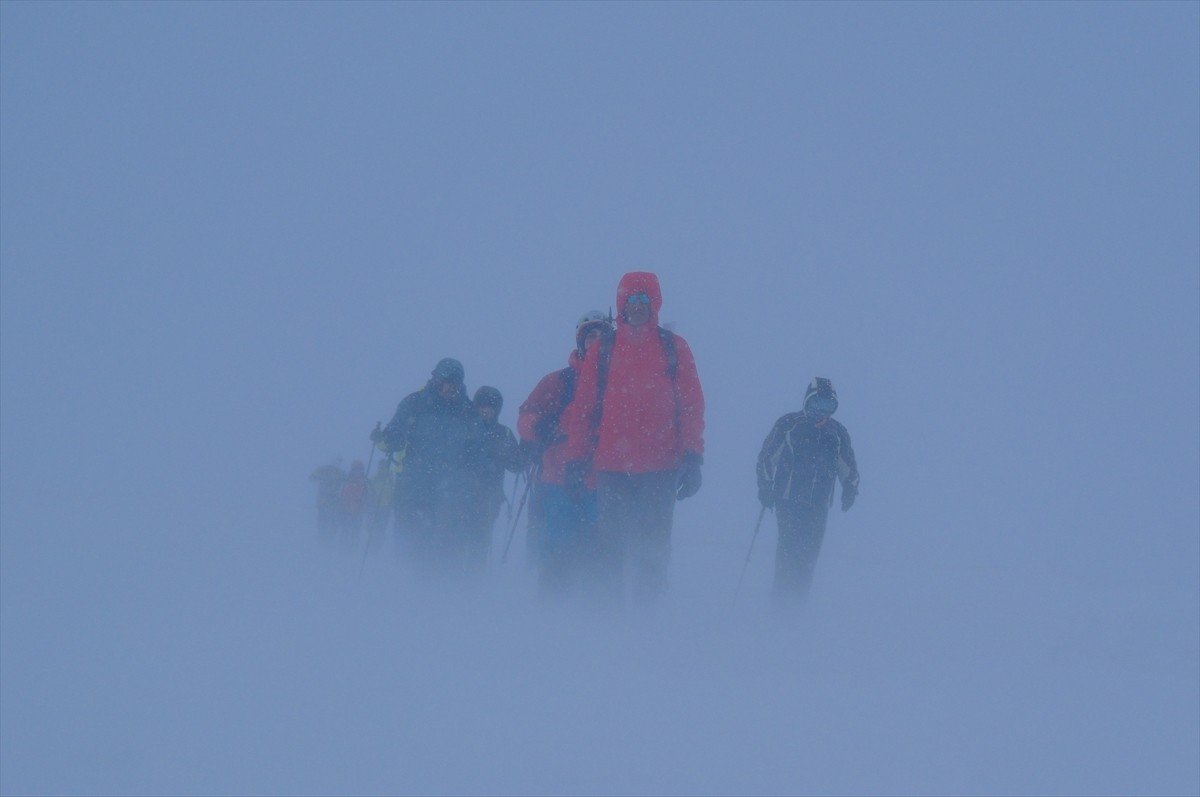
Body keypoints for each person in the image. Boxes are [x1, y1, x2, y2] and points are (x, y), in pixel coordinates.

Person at [561, 273, 705, 607]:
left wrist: (694, 455)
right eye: (631, 300)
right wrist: (574, 459)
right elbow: (584, 409)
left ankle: (647, 614)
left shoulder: (674, 347)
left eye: (644, 300)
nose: (637, 307)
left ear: (655, 303)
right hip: (612, 467)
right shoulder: (604, 350)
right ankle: (607, 613)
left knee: (653, 546)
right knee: (610, 543)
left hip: (661, 467)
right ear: (621, 304)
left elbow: (692, 404)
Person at [517, 310, 614, 599]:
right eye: (590, 335)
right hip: (557, 480)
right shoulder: (557, 382)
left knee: (599, 555)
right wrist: (539, 426)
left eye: (601, 335)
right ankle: (553, 619)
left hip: (603, 482)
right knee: (559, 551)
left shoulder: (618, 382)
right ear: (581, 341)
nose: (596, 341)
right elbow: (525, 418)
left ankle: (595, 621)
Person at [371, 357, 484, 573]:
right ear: (436, 380)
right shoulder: (413, 404)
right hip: (413, 485)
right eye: (446, 382)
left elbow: (477, 448)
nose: (450, 388)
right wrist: (386, 439)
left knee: (446, 542)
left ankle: (439, 590)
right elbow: (395, 434)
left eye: (455, 384)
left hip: (451, 489)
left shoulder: (468, 412)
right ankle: (404, 583)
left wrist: (474, 470)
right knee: (410, 536)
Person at [756, 377, 860, 605]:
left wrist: (850, 489)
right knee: (789, 548)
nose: (821, 413)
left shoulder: (837, 433)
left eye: (828, 407)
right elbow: (767, 457)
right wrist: (765, 485)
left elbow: (848, 467)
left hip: (819, 503)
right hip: (788, 500)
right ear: (806, 402)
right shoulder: (790, 424)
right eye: (816, 405)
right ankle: (780, 600)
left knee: (809, 553)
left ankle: (797, 602)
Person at [463, 386, 524, 573]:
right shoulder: (466, 430)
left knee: (481, 539)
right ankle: (454, 574)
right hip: (463, 494)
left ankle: (474, 577)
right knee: (461, 537)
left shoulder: (504, 434)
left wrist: (519, 456)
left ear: (497, 410)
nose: (485, 411)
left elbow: (515, 466)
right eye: (481, 406)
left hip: (489, 498)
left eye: (490, 407)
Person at [309, 458, 347, 543]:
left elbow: (347, 482)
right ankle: (323, 540)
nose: (337, 463)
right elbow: (311, 478)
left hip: (333, 503)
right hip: (325, 502)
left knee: (330, 522)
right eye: (336, 461)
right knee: (325, 522)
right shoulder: (325, 470)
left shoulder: (340, 472)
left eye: (339, 461)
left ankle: (327, 540)